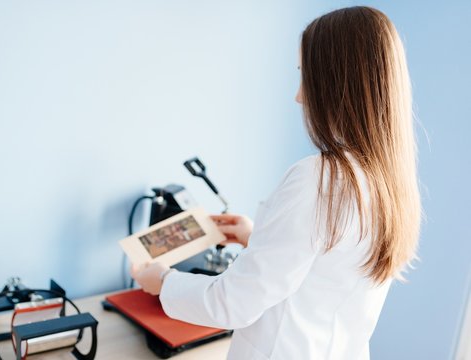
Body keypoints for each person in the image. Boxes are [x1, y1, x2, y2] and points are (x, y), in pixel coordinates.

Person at [132, 6, 421, 360]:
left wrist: (162, 281)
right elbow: (329, 272)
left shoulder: (320, 179)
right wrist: (257, 235)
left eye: (305, 76)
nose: (299, 96)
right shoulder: (387, 184)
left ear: (335, 83)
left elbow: (233, 304)